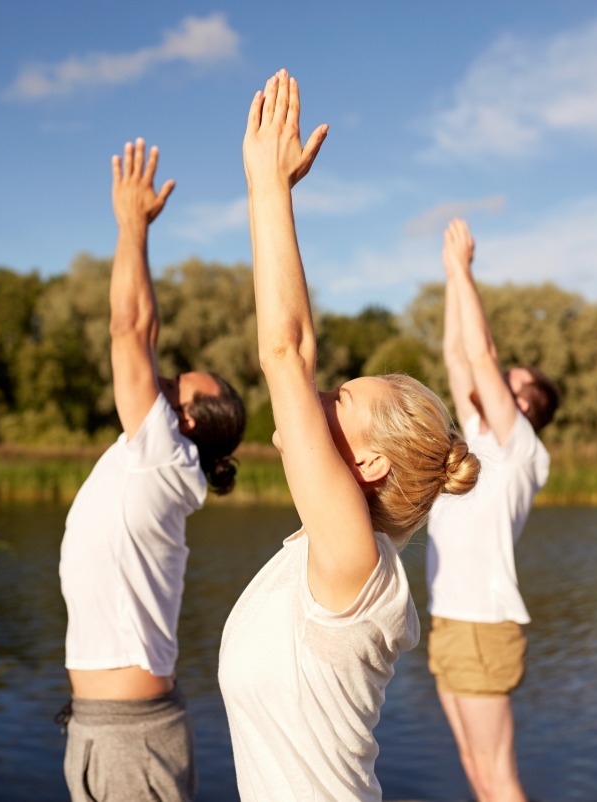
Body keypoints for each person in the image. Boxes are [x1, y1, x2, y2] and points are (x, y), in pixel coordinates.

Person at [218, 69, 481, 802]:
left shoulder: (353, 565)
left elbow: (285, 352)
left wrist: (268, 189)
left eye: (338, 398)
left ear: (366, 462)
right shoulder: (321, 554)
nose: (313, 399)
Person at [58, 138, 247, 802]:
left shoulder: (162, 457)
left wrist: (131, 228)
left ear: (187, 424)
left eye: (173, 390)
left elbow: (129, 329)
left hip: (128, 734)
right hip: (103, 726)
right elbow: (145, 331)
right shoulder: (152, 457)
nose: (157, 385)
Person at [425, 218, 560, 802]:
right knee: (475, 771)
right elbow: (459, 356)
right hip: (451, 620)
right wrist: (451, 281)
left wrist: (463, 269)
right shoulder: (479, 438)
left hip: (483, 625)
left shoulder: (520, 449)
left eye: (515, 385)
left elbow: (480, 355)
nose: (504, 382)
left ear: (527, 407)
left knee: (499, 778)